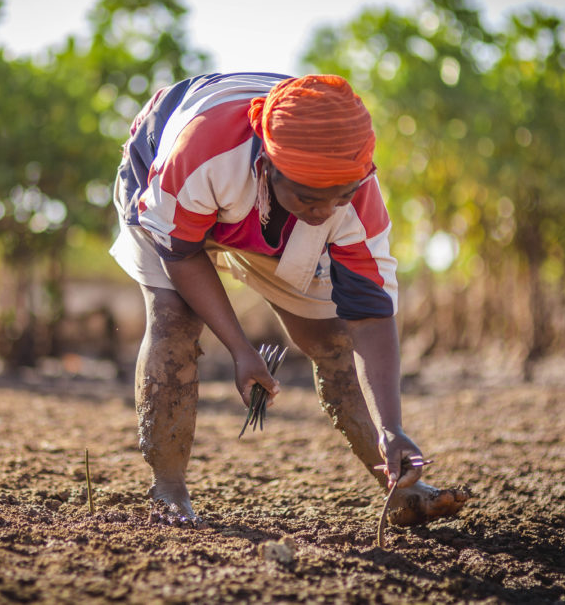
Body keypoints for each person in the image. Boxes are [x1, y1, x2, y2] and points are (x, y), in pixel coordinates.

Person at [110, 72, 469, 527]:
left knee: (332, 341)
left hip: (263, 210)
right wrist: (241, 351)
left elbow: (370, 318)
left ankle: (402, 489)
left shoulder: (352, 202)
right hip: (165, 183)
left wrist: (392, 427)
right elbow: (182, 255)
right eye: (309, 197)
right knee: (174, 320)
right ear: (265, 168)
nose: (324, 211)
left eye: (340, 197)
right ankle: (169, 491)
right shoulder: (201, 152)